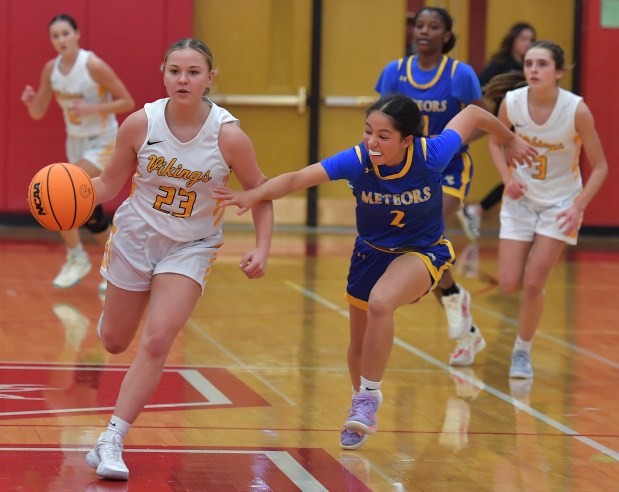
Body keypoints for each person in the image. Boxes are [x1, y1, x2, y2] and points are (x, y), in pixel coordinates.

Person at [213, 93, 536, 450]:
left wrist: (509, 138)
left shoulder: (432, 153)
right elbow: (296, 179)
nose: (372, 141)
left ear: (406, 140)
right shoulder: (358, 159)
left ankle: (369, 398)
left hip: (421, 252)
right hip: (370, 253)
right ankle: (360, 403)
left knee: (382, 302)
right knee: (358, 346)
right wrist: (252, 195)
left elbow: (474, 113)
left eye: (383, 136)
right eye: (368, 131)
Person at [83, 38, 273, 480]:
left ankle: (111, 438)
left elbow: (261, 192)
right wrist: (68, 195)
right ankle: (115, 316)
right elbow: (109, 183)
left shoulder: (228, 136)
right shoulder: (139, 124)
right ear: (163, 74)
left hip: (192, 246)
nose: (183, 79)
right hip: (136, 238)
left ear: (210, 78)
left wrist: (262, 246)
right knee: (115, 340)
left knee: (157, 340)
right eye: (175, 71)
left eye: (193, 72)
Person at [487, 41, 607, 379]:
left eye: (542, 64)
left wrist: (578, 207)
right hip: (520, 199)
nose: (533, 70)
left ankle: (522, 351)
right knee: (509, 284)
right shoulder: (512, 103)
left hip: (561, 203)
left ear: (558, 72)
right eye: (528, 64)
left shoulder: (576, 110)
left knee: (532, 283)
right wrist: (506, 178)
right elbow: (496, 141)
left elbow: (600, 167)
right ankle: (530, 294)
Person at [374, 6, 487, 366]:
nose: (424, 31)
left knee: (427, 228)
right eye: (419, 25)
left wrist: (451, 141)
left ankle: (454, 299)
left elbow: (483, 119)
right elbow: (380, 121)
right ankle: (461, 313)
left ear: (447, 35)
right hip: (408, 170)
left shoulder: (460, 74)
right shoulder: (395, 72)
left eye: (434, 26)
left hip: (449, 167)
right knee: (421, 247)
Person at [21, 14, 135, 293]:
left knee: (60, 193)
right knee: (91, 217)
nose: (61, 40)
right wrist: (30, 102)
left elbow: (127, 101)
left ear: (77, 34)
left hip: (104, 141)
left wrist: (93, 109)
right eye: (55, 36)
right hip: (76, 143)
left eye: (65, 34)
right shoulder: (52, 69)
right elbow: (38, 112)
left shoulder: (92, 65)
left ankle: (76, 257)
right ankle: (119, 268)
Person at [457, 22, 536, 241]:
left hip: (525, 126)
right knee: (517, 176)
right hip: (505, 126)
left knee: (522, 176)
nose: (527, 43)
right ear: (513, 40)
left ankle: (479, 210)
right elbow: (478, 88)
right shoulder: (501, 64)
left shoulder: (530, 66)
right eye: (523, 38)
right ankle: (480, 210)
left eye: (531, 39)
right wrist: (492, 109)